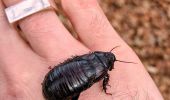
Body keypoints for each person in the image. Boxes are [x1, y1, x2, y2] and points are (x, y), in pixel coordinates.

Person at [0, 0, 163, 100]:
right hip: (60, 81)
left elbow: (73, 60)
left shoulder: (95, 61)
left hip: (59, 75)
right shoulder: (104, 72)